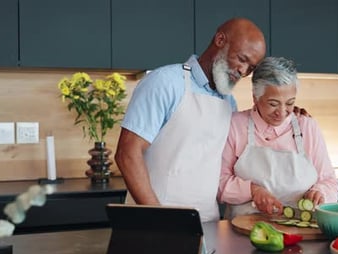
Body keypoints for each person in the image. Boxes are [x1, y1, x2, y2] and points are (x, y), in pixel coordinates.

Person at [114, 17, 267, 222]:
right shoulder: (165, 82)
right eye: (241, 58)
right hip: (153, 221)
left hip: (207, 222)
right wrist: (158, 218)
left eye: (250, 68)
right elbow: (127, 154)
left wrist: (294, 115)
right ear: (220, 40)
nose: (243, 71)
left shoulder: (229, 103)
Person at [217, 57, 338, 219]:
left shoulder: (307, 127)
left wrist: (319, 192)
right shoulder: (235, 125)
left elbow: (329, 180)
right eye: (273, 104)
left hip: (301, 231)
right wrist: (253, 190)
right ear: (255, 97)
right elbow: (219, 184)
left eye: (289, 103)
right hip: (243, 230)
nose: (281, 112)